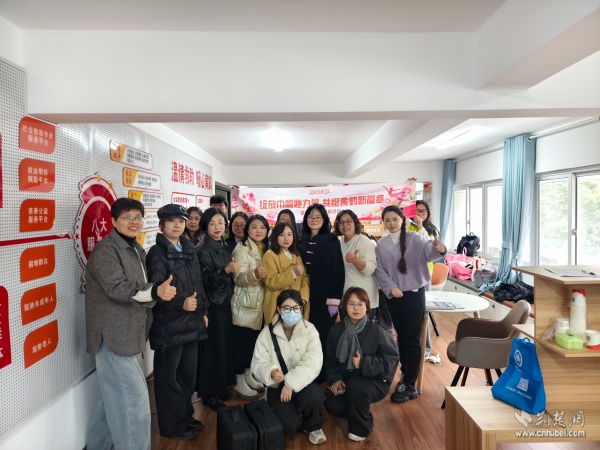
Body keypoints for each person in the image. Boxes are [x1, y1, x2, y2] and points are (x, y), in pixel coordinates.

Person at [85, 197, 176, 450]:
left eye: (138, 217)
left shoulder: (135, 248)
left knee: (113, 400)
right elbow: (117, 288)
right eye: (127, 217)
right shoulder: (106, 250)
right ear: (114, 221)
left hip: (131, 334)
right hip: (113, 336)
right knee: (133, 404)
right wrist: (155, 291)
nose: (134, 222)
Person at [146, 204, 209, 440]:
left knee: (187, 377)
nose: (177, 225)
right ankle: (171, 426)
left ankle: (185, 417)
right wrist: (181, 303)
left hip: (192, 322)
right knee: (167, 380)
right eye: (172, 221)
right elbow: (156, 291)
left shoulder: (189, 248)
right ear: (161, 224)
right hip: (169, 326)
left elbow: (198, 284)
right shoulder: (157, 253)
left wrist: (203, 311)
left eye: (181, 221)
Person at [375, 205, 447, 404]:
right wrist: (391, 288)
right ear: (384, 222)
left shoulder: (415, 238)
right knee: (401, 335)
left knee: (412, 338)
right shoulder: (381, 245)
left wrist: (439, 249)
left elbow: (429, 252)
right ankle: (406, 374)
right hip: (393, 296)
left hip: (414, 294)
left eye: (395, 219)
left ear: (402, 220)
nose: (391, 223)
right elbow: (379, 269)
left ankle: (409, 382)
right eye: (387, 220)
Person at [251, 290, 327, 445]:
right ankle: (292, 413)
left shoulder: (310, 330)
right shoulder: (266, 333)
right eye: (286, 308)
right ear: (279, 309)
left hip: (303, 382)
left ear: (301, 309)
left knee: (315, 395)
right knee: (288, 426)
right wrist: (271, 372)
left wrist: (290, 383)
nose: (292, 312)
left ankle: (313, 426)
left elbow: (314, 361)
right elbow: (257, 363)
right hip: (277, 385)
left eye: (296, 308)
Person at [324, 287, 399, 442]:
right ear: (344, 306)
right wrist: (336, 379)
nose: (356, 308)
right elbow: (330, 361)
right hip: (347, 381)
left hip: (375, 381)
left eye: (360, 304)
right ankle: (360, 405)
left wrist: (364, 363)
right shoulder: (335, 331)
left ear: (367, 307)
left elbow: (391, 362)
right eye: (351, 304)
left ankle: (363, 426)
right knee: (332, 404)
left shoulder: (377, 331)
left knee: (357, 387)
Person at [195, 208, 240, 411]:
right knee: (212, 350)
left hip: (223, 302)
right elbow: (204, 281)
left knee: (222, 347)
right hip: (212, 305)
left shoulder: (222, 244)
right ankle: (209, 393)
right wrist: (225, 271)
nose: (217, 227)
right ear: (205, 226)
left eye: (220, 222)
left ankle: (220, 387)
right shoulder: (203, 248)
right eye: (212, 223)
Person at [300, 204, 345, 380]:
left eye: (318, 217)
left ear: (325, 220)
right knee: (305, 336)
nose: (314, 220)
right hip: (303, 298)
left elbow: (337, 272)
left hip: (324, 298)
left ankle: (323, 375)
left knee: (322, 336)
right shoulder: (301, 239)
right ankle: (306, 372)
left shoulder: (331, 240)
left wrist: (334, 300)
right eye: (310, 216)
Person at [230, 214, 270, 398]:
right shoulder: (241, 250)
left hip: (259, 304)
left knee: (252, 345)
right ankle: (239, 382)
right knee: (242, 346)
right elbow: (238, 278)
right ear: (247, 230)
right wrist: (255, 274)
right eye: (254, 227)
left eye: (262, 227)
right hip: (245, 304)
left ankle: (248, 376)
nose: (259, 231)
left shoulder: (266, 248)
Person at [408, 200, 442, 364]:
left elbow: (428, 248)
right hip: (408, 275)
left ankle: (425, 349)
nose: (420, 214)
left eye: (423, 211)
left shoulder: (431, 229)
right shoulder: (407, 226)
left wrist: (420, 225)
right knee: (409, 314)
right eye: (417, 211)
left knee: (423, 313)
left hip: (424, 275)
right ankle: (410, 347)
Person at [334, 209, 379, 319]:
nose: (345, 225)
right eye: (341, 222)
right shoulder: (339, 243)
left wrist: (355, 260)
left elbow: (370, 269)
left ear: (355, 222)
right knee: (347, 330)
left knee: (364, 330)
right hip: (346, 300)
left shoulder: (363, 241)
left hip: (363, 300)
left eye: (348, 221)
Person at [262, 221, 309, 323]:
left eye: (289, 234)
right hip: (278, 305)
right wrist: (293, 274)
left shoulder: (296, 255)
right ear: (275, 237)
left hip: (297, 305)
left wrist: (303, 299)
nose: (286, 238)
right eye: (282, 235)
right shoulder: (270, 255)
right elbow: (270, 281)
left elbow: (304, 278)